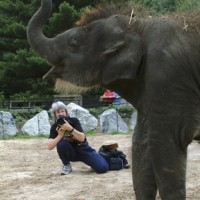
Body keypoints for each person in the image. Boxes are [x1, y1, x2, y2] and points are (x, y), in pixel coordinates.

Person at [48, 101, 109, 175]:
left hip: (83, 149)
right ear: (54, 114)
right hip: (70, 152)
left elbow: (82, 138)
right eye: (58, 112)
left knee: (103, 168)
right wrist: (60, 135)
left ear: (66, 112)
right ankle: (66, 165)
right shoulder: (54, 127)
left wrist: (70, 129)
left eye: (62, 111)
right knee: (61, 143)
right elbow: (50, 146)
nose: (60, 114)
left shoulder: (74, 121)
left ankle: (97, 158)